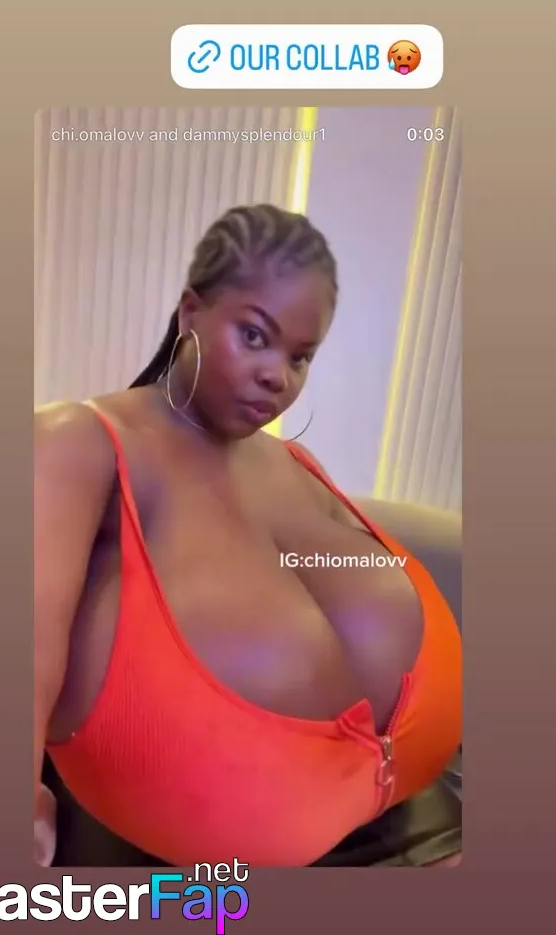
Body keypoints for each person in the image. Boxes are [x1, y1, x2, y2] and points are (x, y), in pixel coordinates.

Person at [34, 203, 462, 869]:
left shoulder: (293, 463)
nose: (278, 376)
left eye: (300, 356)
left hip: (430, 821)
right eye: (255, 336)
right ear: (191, 312)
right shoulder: (81, 445)